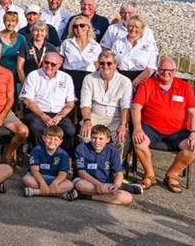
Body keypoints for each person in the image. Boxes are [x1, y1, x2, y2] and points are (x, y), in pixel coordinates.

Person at [131, 57, 195, 194]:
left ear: (175, 71)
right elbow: (136, 107)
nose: (166, 72)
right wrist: (137, 128)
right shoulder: (147, 84)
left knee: (193, 147)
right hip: (151, 127)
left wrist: (193, 132)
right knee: (139, 142)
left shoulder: (185, 87)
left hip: (178, 131)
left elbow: (192, 112)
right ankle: (150, 175)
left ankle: (172, 175)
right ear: (158, 70)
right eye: (162, 69)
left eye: (169, 70)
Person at [20, 52, 77, 151]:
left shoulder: (66, 78)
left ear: (59, 65)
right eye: (46, 62)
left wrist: (59, 116)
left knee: (70, 131)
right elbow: (28, 100)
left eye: (53, 64)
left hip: (59, 114)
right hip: (37, 112)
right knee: (36, 127)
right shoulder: (33, 75)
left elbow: (70, 103)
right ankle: (39, 153)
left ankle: (60, 154)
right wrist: (43, 116)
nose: (49, 66)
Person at [74, 124, 140, 204]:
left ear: (108, 140)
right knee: (80, 185)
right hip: (87, 182)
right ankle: (122, 188)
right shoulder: (82, 148)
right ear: (90, 137)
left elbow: (119, 173)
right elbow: (81, 173)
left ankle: (87, 196)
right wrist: (98, 185)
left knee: (127, 198)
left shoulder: (113, 151)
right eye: (94, 138)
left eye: (101, 139)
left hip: (106, 182)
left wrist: (115, 186)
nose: (97, 141)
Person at [80, 51, 132, 146]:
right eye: (102, 63)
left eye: (109, 63)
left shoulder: (125, 81)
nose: (105, 66)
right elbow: (85, 104)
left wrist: (123, 125)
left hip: (116, 117)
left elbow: (126, 107)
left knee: (122, 140)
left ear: (115, 65)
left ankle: (117, 161)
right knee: (85, 135)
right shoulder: (89, 78)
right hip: (95, 115)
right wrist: (87, 121)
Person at [22, 126, 76, 200]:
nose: (52, 141)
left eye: (56, 139)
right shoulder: (37, 150)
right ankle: (60, 194)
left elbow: (63, 174)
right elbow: (34, 170)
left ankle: (35, 192)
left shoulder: (63, 154)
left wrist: (55, 183)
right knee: (26, 179)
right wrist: (42, 183)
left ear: (60, 142)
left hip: (54, 178)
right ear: (43, 138)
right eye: (49, 138)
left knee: (70, 185)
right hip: (38, 177)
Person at [59, 15, 102, 99]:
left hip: (88, 76)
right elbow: (61, 61)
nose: (79, 28)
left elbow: (97, 64)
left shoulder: (95, 45)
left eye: (82, 25)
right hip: (70, 75)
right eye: (75, 26)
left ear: (88, 27)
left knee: (85, 102)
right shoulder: (66, 43)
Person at [110, 17, 159, 86]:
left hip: (143, 79)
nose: (133, 29)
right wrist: (123, 82)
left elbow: (151, 68)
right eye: (131, 26)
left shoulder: (149, 45)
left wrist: (134, 84)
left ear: (141, 29)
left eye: (136, 27)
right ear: (127, 27)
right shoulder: (118, 43)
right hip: (121, 80)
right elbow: (111, 65)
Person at [0, 11, 25, 76]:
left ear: (16, 22)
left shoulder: (21, 38)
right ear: (4, 21)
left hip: (15, 74)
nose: (10, 24)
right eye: (8, 21)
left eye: (13, 21)